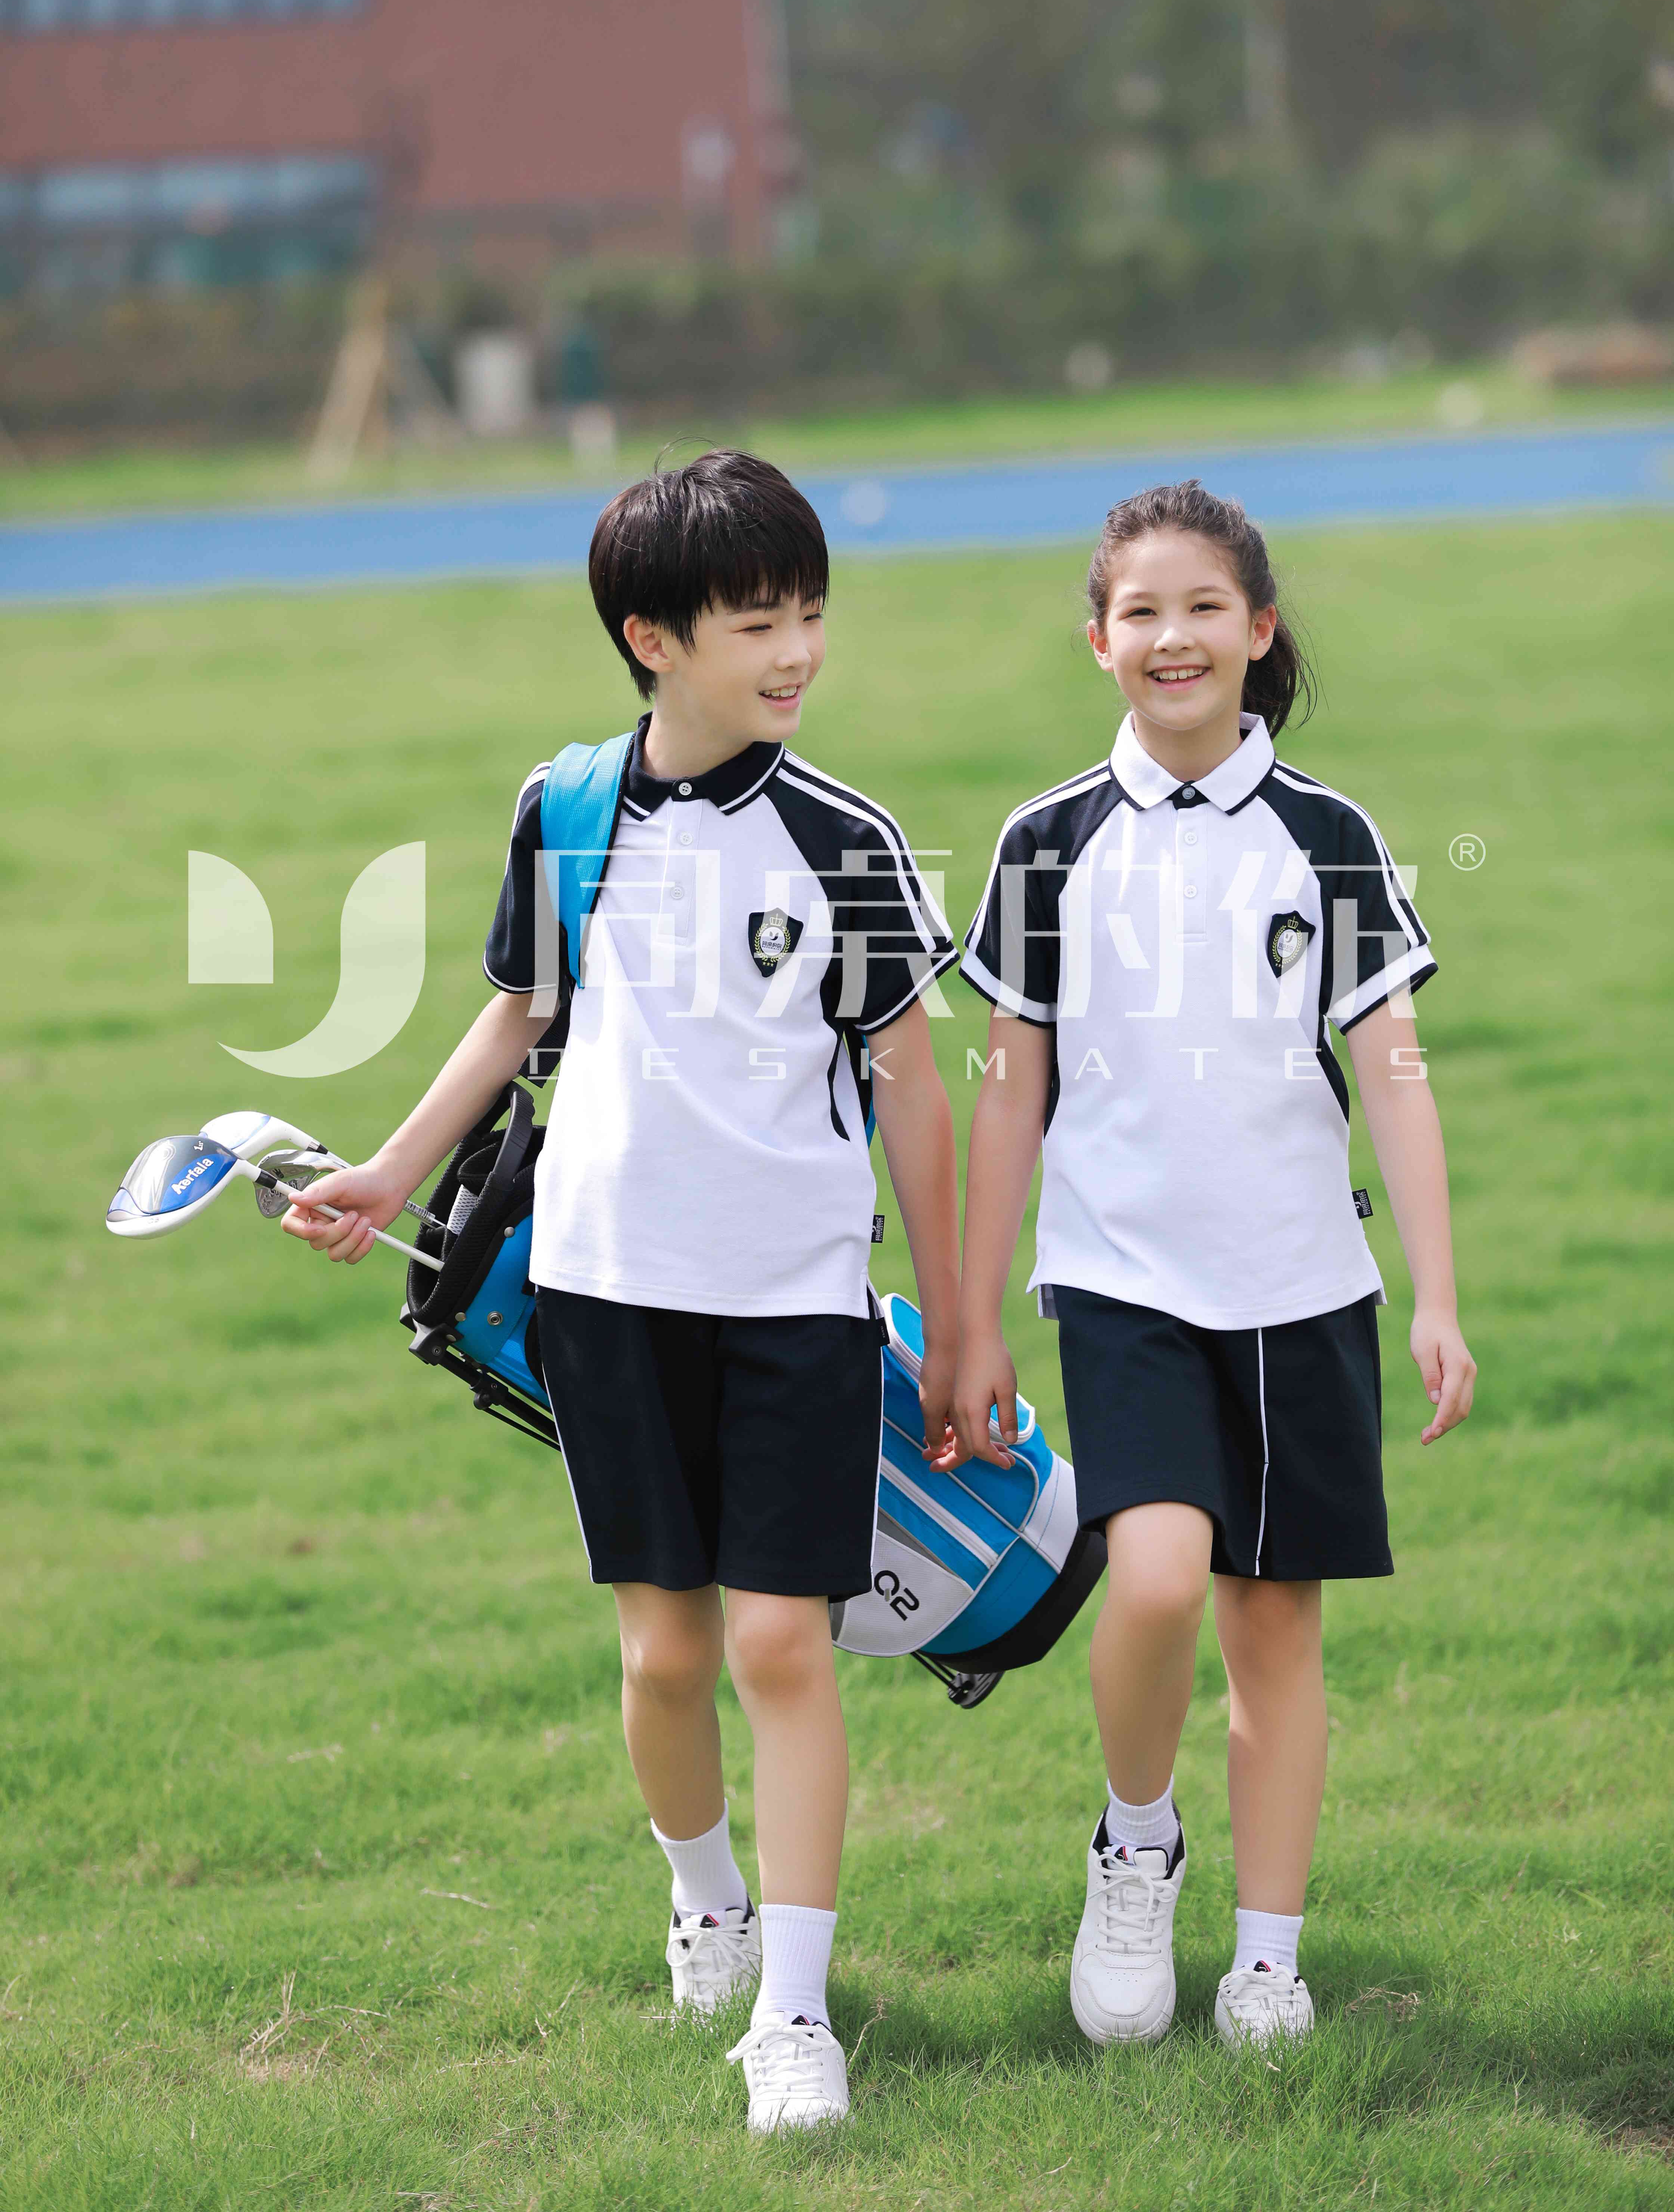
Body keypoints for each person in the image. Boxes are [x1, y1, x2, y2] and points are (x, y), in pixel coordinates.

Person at [283, 451, 962, 2131]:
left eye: (810, 612)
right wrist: (386, 1168)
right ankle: (706, 1900)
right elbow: (517, 1013)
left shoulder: (847, 838)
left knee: (779, 1648)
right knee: (663, 1658)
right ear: (652, 639)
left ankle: (795, 2019)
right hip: (600, 1293)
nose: (796, 649)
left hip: (797, 1298)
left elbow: (915, 1090)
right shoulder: (566, 806)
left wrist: (963, 1322)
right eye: (756, 622)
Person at [953, 477, 1476, 2051]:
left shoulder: (1329, 837)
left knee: (1275, 1629)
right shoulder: (1047, 841)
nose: (1170, 636)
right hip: (1122, 1281)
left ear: (1257, 631)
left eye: (1201, 609)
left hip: (1305, 1286)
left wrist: (1435, 1293)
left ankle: (1265, 1955)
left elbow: (1391, 1069)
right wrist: (972, 1318)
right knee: (1160, 1575)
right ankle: (1134, 1841)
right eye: (1139, 612)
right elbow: (1009, 1090)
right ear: (1096, 640)